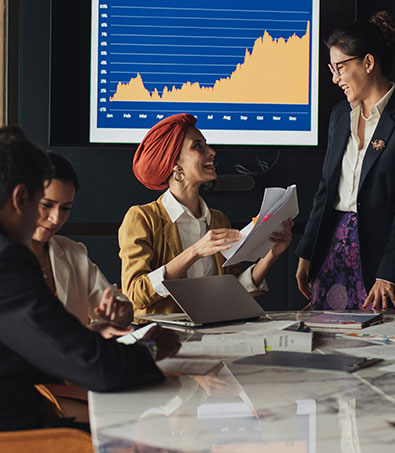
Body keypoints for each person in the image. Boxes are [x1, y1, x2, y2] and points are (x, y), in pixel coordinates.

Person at [0, 126, 180, 431]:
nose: (53, 219)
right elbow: (99, 370)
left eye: (65, 208)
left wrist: (94, 339)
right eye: (41, 205)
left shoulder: (61, 252)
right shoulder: (7, 259)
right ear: (21, 198)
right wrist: (151, 349)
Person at [295, 11, 395, 312]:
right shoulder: (340, 116)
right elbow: (325, 190)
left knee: (381, 347)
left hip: (383, 259)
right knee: (328, 344)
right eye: (332, 69)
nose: (335, 79)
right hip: (334, 248)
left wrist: (388, 273)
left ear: (368, 63)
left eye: (340, 68)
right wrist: (306, 254)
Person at [119, 113, 293, 314]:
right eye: (197, 146)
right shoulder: (142, 218)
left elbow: (234, 290)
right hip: (164, 337)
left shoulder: (218, 219)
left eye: (207, 145)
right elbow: (135, 294)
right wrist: (195, 251)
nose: (211, 152)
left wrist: (271, 255)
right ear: (175, 165)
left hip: (213, 333)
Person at [29, 152, 133, 335]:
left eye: (65, 208)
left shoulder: (73, 252)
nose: (56, 218)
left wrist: (120, 313)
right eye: (46, 205)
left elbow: (115, 305)